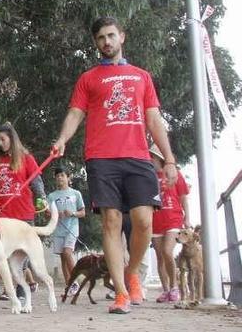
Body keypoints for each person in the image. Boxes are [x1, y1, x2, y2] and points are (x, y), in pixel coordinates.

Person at [53, 16, 178, 314]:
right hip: (101, 158)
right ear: (96, 43)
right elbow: (74, 114)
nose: (106, 42)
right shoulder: (89, 78)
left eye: (111, 35)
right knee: (111, 221)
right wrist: (62, 139)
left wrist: (169, 158)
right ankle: (121, 292)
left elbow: (154, 120)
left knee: (144, 221)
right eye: (100, 38)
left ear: (122, 37)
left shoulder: (141, 76)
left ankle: (131, 271)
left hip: (137, 156)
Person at [0, 121, 47, 300]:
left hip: (24, 213)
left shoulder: (27, 158)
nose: (0, 143)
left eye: (3, 139)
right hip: (3, 215)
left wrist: (42, 199)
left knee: (22, 253)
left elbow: (36, 182)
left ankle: (18, 287)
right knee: (4, 253)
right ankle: (13, 287)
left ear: (12, 139)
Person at [150, 144, 190, 303]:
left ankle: (174, 287)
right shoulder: (149, 176)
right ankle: (166, 290)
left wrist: (187, 217)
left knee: (167, 251)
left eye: (152, 156)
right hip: (155, 220)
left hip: (173, 217)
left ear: (159, 158)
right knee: (160, 256)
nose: (150, 159)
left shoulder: (175, 174)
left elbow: (183, 196)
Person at [46, 166, 85, 297]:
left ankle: (75, 282)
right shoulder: (52, 196)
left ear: (68, 177)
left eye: (62, 175)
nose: (60, 178)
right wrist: (55, 214)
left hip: (72, 228)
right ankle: (69, 286)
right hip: (58, 230)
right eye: (57, 176)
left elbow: (83, 212)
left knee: (68, 252)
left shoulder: (76, 193)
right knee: (63, 257)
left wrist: (72, 213)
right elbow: (48, 213)